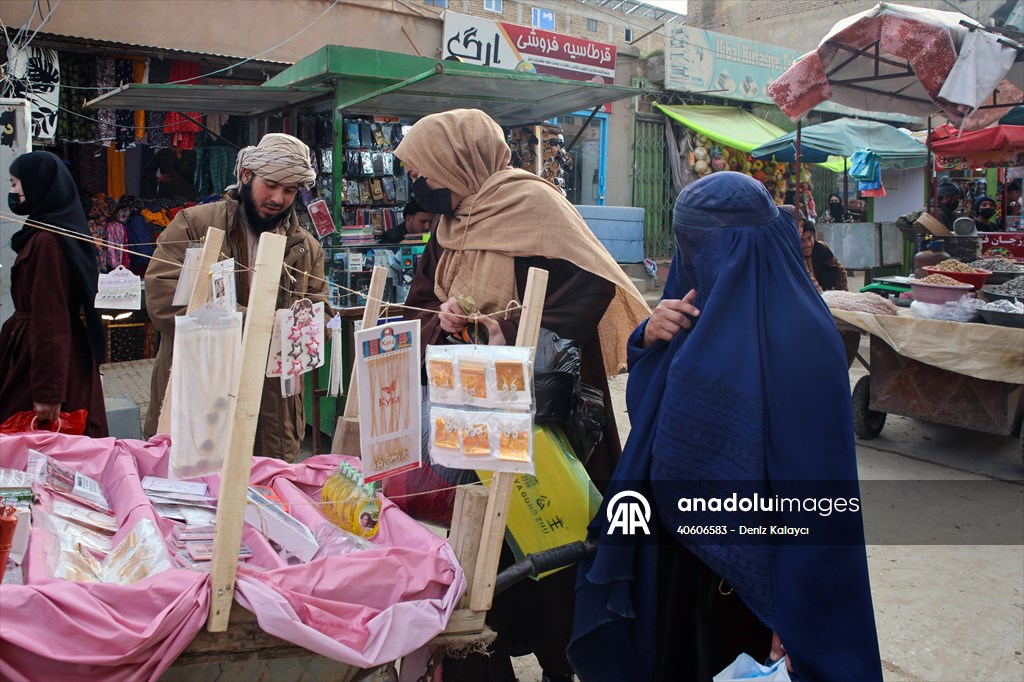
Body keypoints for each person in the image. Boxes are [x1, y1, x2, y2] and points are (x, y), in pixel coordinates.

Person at [569, 172, 881, 682]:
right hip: (675, 557)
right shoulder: (691, 306)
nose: (692, 259)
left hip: (753, 581)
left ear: (746, 246)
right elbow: (652, 416)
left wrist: (794, 615)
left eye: (704, 245)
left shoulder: (802, 339)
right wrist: (648, 340)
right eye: (685, 243)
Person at [393, 108, 649, 682]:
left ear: (458, 164)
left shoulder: (535, 207)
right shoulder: (451, 224)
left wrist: (513, 336)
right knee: (486, 543)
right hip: (472, 410)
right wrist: (446, 321)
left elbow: (592, 283)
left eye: (427, 173)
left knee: (553, 540)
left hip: (546, 413)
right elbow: (423, 301)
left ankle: (571, 660)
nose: (421, 186)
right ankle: (489, 661)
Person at [144, 133, 329, 461]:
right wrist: (253, 322)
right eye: (270, 184)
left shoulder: (305, 247)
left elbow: (320, 308)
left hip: (273, 403)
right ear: (246, 176)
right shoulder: (194, 225)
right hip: (199, 389)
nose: (278, 197)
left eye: (289, 190)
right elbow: (163, 299)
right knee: (195, 493)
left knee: (266, 491)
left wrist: (306, 326)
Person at [0, 151, 108, 437]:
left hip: (45, 361)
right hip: (37, 354)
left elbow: (51, 316)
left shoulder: (48, 240)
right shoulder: (44, 233)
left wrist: (49, 391)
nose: (12, 191)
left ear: (37, 184)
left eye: (15, 183)